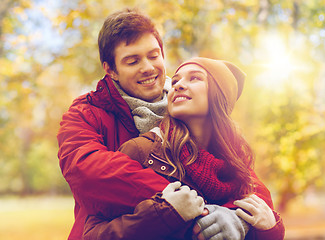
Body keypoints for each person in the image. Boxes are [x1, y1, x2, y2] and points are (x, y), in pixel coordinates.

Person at [57, 9, 256, 240]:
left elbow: (244, 179)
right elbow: (88, 174)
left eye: (153, 56)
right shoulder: (86, 113)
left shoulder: (188, 109)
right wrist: (178, 201)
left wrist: (240, 216)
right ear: (111, 70)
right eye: (133, 61)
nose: (148, 68)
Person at [82, 57, 285, 240]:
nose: (177, 86)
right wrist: (162, 214)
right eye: (176, 81)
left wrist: (266, 229)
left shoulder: (239, 167)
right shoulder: (143, 150)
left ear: (220, 95)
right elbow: (92, 233)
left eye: (195, 78)